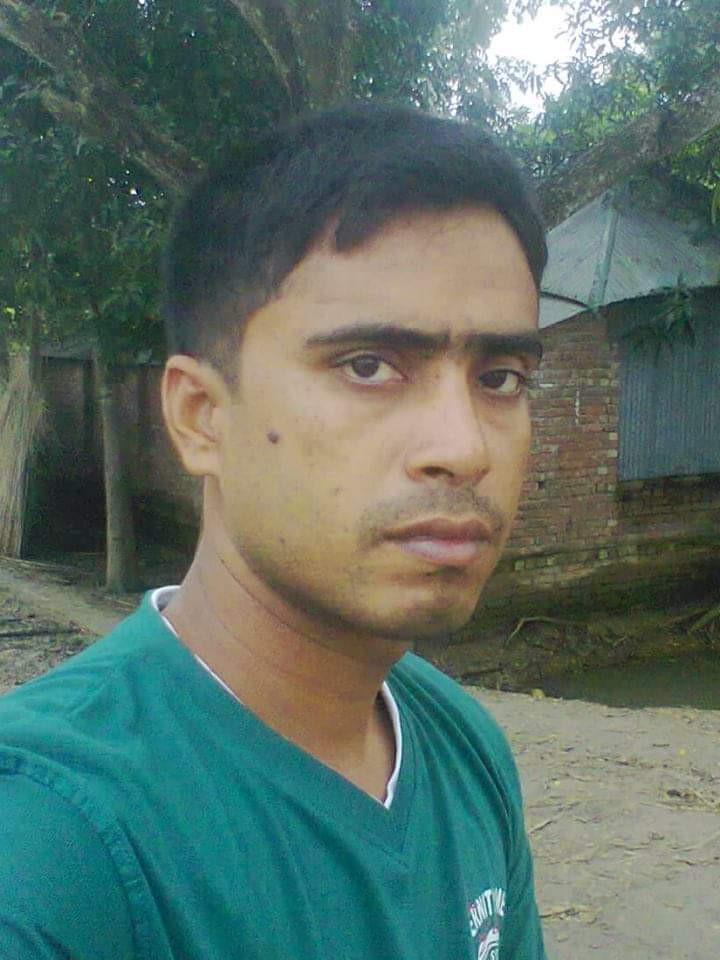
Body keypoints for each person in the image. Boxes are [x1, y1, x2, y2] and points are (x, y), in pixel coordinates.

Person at [0, 102, 549, 959]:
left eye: (502, 377)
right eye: (368, 366)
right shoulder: (52, 846)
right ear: (200, 417)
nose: (464, 447)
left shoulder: (462, 748)